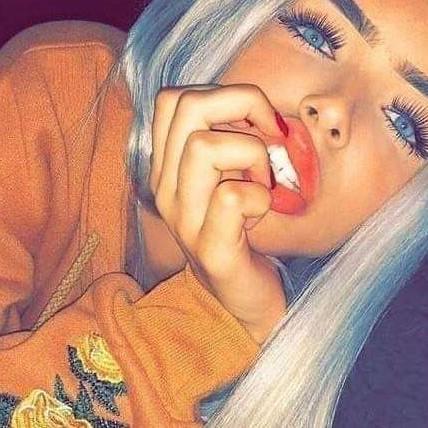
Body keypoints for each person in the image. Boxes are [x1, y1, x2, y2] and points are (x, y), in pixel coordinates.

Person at [0, 0, 427, 426]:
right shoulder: (56, 100)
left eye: (405, 124)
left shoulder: (368, 385)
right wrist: (204, 322)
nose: (333, 111)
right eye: (315, 35)